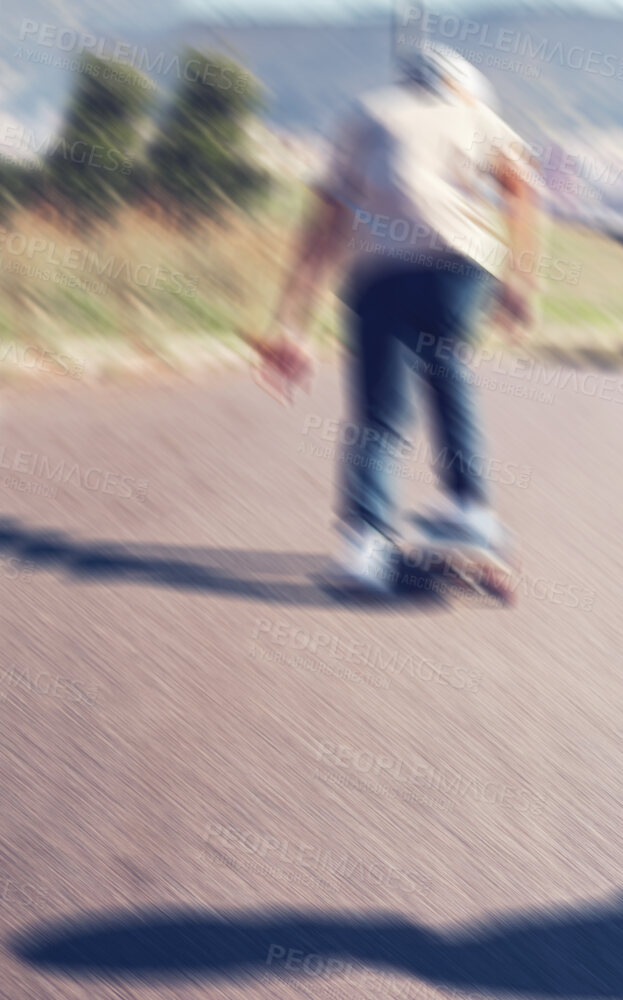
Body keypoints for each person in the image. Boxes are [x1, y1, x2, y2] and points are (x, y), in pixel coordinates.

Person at [252, 41, 539, 596]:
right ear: (460, 86)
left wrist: (292, 325)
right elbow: (523, 189)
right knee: (445, 361)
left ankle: (365, 544)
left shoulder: (363, 113)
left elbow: (323, 224)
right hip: (461, 269)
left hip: (380, 274)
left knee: (380, 416)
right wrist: (523, 280)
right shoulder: (477, 114)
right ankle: (469, 508)